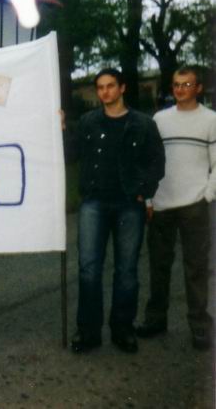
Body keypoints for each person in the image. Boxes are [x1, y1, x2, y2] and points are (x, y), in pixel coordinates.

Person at [71, 68, 165, 354]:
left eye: (110, 86)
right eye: (100, 87)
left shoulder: (143, 124)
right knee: (89, 269)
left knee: (126, 270)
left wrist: (143, 190)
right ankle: (89, 332)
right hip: (93, 203)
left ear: (122, 88)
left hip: (128, 204)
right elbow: (69, 154)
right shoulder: (87, 122)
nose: (105, 92)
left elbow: (156, 162)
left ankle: (123, 329)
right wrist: (60, 128)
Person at [136, 66, 216, 350]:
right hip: (161, 204)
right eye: (176, 85)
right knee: (158, 267)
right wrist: (148, 198)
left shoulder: (210, 120)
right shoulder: (160, 119)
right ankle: (156, 320)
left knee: (196, 268)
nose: (181, 89)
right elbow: (148, 160)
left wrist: (207, 195)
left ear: (198, 88)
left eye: (187, 84)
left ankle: (200, 326)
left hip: (194, 205)